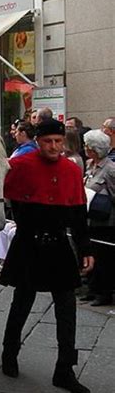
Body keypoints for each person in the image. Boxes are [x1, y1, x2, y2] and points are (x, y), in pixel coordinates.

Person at [0, 119, 94, 393]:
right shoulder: (17, 166)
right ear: (37, 142)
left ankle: (65, 369)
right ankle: (9, 354)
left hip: (58, 247)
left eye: (58, 141)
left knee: (67, 309)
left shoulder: (71, 170)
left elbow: (78, 215)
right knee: (22, 303)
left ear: (64, 142)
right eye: (48, 141)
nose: (54, 146)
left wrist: (85, 248)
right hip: (28, 244)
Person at [82, 129, 115, 306]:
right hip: (90, 218)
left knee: (104, 258)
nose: (84, 148)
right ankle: (92, 289)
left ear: (94, 149)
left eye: (87, 145)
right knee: (91, 253)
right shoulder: (90, 165)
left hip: (106, 221)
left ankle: (104, 292)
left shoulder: (110, 169)